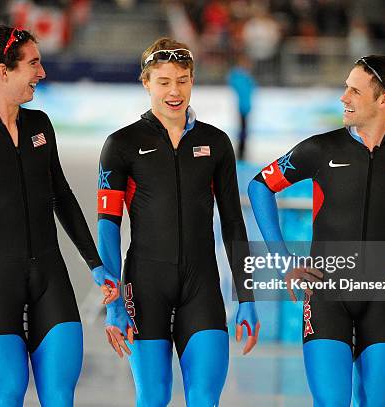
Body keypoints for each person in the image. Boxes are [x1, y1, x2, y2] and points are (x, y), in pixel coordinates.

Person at [248, 55, 385, 406]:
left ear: (383, 100)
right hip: (326, 294)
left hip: (384, 298)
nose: (343, 97)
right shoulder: (319, 148)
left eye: (354, 90)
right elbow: (260, 187)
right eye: (345, 88)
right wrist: (282, 259)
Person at [0, 25, 118, 406]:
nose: (41, 73)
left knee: (60, 397)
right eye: (34, 64)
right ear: (3, 71)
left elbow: (62, 197)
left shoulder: (40, 126)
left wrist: (96, 265)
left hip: (51, 280)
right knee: (8, 396)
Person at [97, 37, 260, 406]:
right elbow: (107, 228)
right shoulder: (121, 145)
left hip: (200, 288)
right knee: (153, 397)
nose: (175, 91)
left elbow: (234, 222)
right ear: (146, 82)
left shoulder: (216, 143)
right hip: (144, 286)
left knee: (205, 399)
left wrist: (246, 296)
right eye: (165, 81)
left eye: (183, 80)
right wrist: (114, 302)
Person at [227, 54, 256, 161]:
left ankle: (242, 151)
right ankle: (241, 151)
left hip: (246, 107)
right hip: (242, 107)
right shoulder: (240, 76)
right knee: (242, 129)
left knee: (244, 129)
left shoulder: (245, 76)